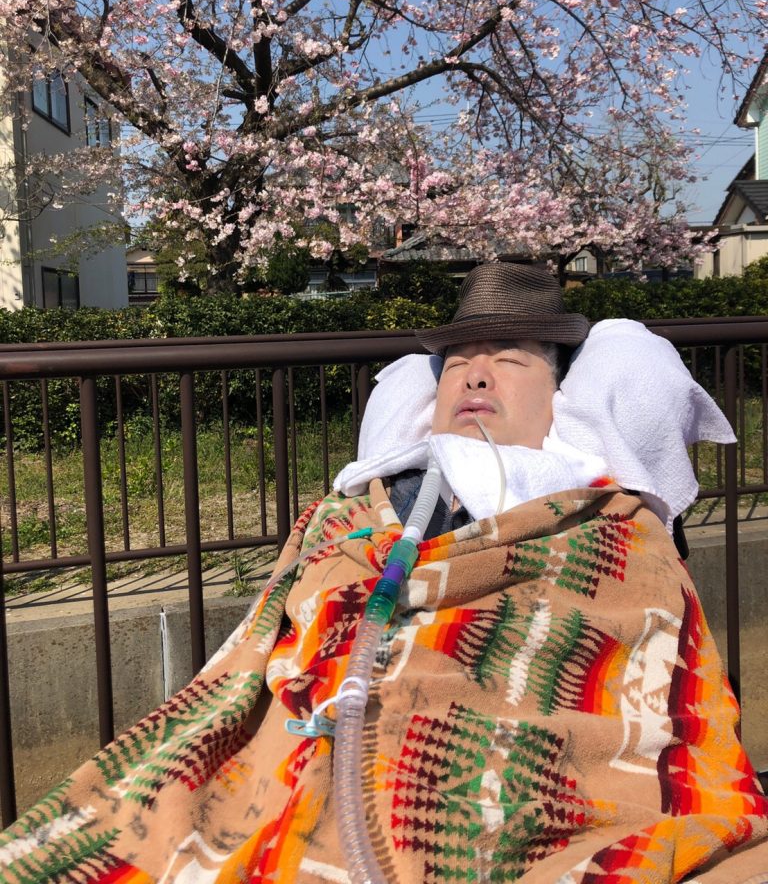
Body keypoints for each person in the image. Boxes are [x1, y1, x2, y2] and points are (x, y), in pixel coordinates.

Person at [1, 264, 767, 884]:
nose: (476, 377)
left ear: (560, 397)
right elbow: (278, 637)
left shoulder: (609, 524)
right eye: (458, 365)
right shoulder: (359, 509)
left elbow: (642, 647)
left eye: (509, 361)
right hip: (317, 747)